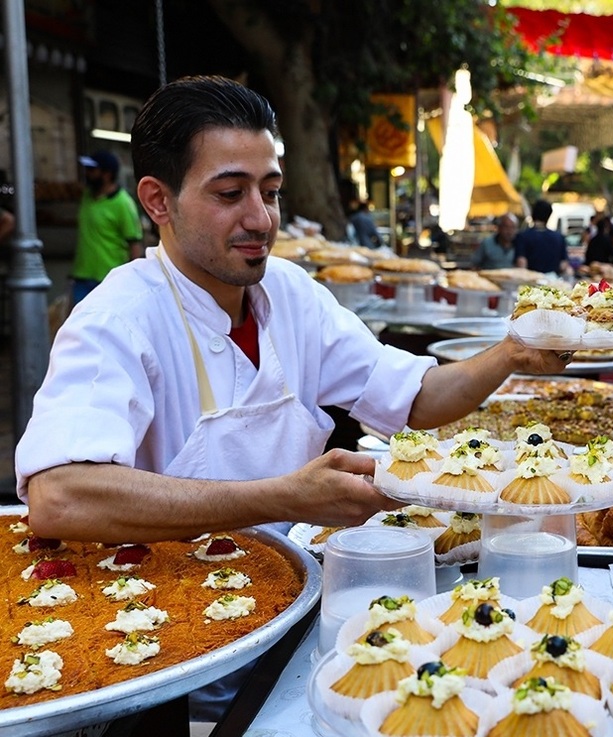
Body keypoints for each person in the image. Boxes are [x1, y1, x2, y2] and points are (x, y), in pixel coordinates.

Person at [16, 75, 571, 544]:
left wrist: (508, 355)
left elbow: (415, 398)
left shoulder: (289, 292)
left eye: (271, 192)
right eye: (230, 194)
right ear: (158, 200)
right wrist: (284, 496)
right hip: (172, 636)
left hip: (295, 595)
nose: (261, 219)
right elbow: (60, 496)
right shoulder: (117, 318)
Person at [71, 150, 144, 306]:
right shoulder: (87, 196)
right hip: (82, 277)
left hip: (110, 279)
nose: (87, 174)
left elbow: (135, 245)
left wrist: (133, 281)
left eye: (92, 170)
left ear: (106, 174)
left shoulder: (123, 204)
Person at [514, 199, 570, 276]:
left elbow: (521, 263)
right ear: (549, 216)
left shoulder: (523, 236)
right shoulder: (559, 237)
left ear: (533, 214)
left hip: (531, 282)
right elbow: (563, 265)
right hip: (553, 281)